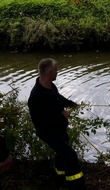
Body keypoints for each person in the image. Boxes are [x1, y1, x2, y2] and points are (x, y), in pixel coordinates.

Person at [28, 58, 86, 190]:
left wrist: (71, 104)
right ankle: (77, 185)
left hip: (59, 130)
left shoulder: (50, 86)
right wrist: (61, 114)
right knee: (70, 156)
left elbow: (58, 99)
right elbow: (42, 121)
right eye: (56, 70)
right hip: (49, 133)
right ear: (50, 72)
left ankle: (59, 180)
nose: (58, 72)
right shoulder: (36, 97)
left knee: (62, 154)